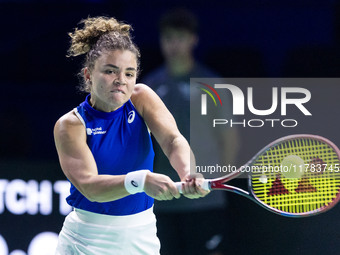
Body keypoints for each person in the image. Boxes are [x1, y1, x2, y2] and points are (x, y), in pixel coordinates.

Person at [53, 16, 209, 255]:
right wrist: (141, 180)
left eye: (129, 73)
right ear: (88, 75)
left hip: (141, 235)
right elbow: (89, 187)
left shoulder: (141, 97)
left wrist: (188, 173)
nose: (121, 81)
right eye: (110, 71)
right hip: (86, 241)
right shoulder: (71, 125)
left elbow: (172, 140)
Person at [142, 8, 240, 255]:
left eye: (180, 37)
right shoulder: (149, 87)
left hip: (204, 201)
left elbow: (229, 139)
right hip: (161, 201)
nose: (174, 44)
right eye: (168, 38)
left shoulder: (212, 85)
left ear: (193, 39)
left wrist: (217, 182)